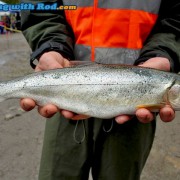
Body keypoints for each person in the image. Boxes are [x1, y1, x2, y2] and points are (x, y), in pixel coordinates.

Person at [20, 0, 180, 179]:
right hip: (63, 93)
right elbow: (39, 9)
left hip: (135, 117)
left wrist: (164, 52)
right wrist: (51, 46)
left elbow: (176, 20)